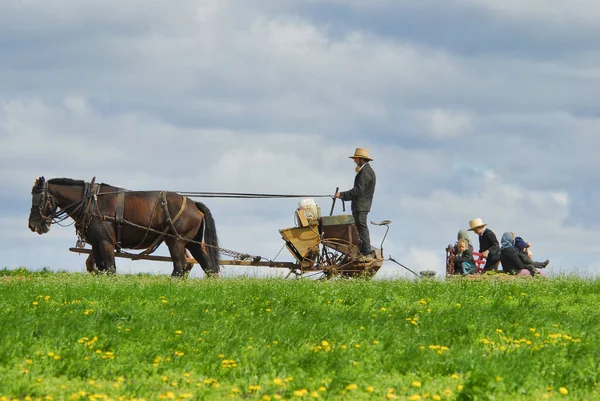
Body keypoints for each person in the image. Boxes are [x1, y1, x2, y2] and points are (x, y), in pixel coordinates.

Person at [334, 148, 376, 260]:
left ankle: (367, 253)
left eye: (356, 159)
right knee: (359, 227)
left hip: (361, 206)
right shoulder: (366, 171)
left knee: (361, 227)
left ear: (361, 159)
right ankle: (363, 250)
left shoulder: (365, 172)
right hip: (361, 205)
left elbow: (358, 190)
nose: (354, 161)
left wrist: (342, 195)